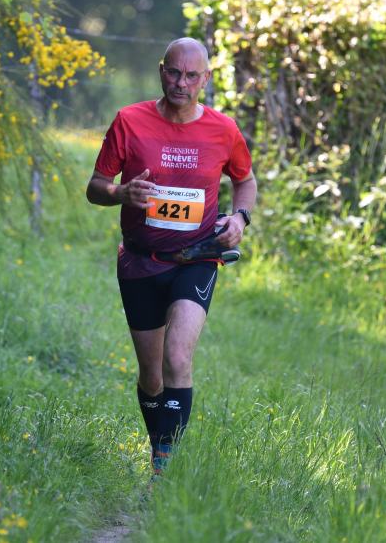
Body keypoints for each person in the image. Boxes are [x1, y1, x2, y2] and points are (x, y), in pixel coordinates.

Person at [86, 37, 257, 476]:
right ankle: (158, 445)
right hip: (140, 260)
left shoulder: (223, 129)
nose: (181, 83)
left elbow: (245, 181)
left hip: (198, 256)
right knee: (152, 375)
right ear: (162, 71)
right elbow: (96, 187)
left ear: (206, 79)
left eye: (191, 76)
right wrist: (120, 193)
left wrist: (240, 218)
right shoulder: (130, 121)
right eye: (174, 73)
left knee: (177, 358)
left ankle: (165, 469)